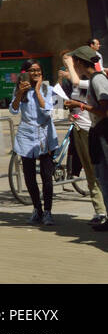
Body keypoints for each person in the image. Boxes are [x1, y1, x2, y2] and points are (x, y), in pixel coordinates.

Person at [10, 58, 65, 225]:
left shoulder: (50, 89)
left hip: (46, 135)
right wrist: (20, 93)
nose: (35, 73)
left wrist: (39, 91)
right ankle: (37, 209)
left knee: (46, 176)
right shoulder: (19, 88)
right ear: (25, 72)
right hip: (26, 136)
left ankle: (48, 211)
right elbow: (13, 110)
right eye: (32, 70)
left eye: (38, 71)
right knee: (29, 176)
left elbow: (53, 113)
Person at [64, 45, 108, 231]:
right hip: (98, 131)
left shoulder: (98, 81)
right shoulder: (93, 80)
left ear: (80, 62)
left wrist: (80, 106)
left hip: (103, 131)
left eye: (75, 61)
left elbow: (105, 110)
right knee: (101, 175)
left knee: (103, 175)